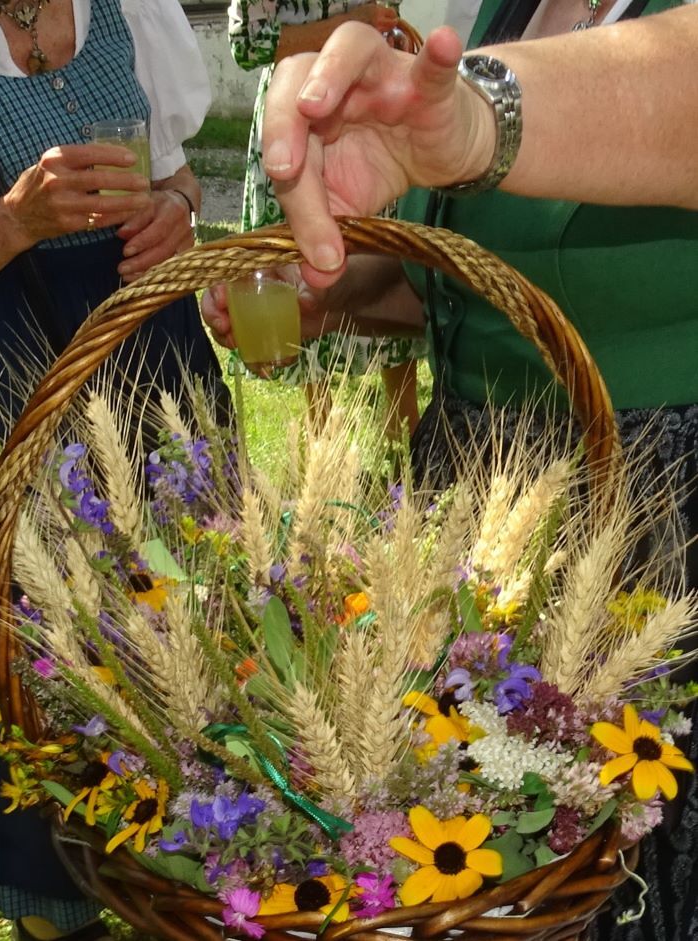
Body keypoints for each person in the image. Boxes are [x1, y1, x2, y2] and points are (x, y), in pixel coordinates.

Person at [201, 5, 698, 939]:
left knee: (626, 881)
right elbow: (475, 279)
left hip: (659, 524)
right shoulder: (508, 9)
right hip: (477, 515)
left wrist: (480, 117)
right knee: (464, 856)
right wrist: (331, 297)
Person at [0, 1, 230, 939]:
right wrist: (11, 224)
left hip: (157, 371)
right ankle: (60, 911)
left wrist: (176, 212)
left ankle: (221, 874)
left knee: (198, 627)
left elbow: (177, 175)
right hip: (14, 390)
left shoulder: (132, 9)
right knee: (51, 662)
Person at [226, 0, 428, 439]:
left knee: (389, 260)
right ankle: (322, 438)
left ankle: (403, 432)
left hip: (377, 110)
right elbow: (249, 44)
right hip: (297, 112)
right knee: (306, 272)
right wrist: (350, 25)